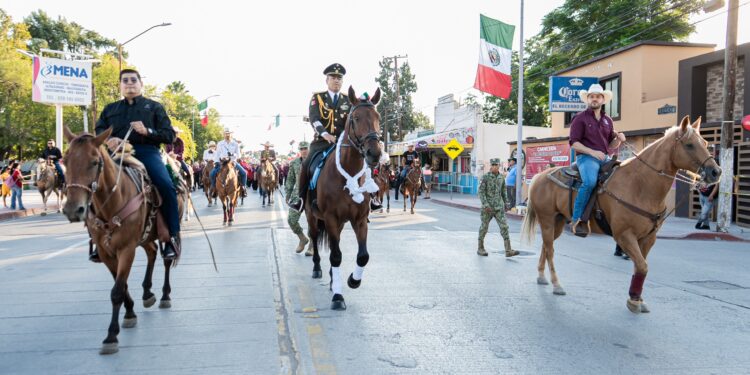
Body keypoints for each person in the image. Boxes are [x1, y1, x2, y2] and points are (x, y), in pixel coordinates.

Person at [95, 68, 180, 260]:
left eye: (133, 80)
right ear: (120, 85)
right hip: (115, 154)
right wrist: (109, 140)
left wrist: (148, 131)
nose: (129, 83)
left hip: (146, 152)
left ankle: (171, 238)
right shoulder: (110, 109)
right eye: (125, 80)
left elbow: (168, 135)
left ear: (141, 84)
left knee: (166, 185)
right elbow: (99, 130)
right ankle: (95, 239)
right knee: (92, 184)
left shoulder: (155, 107)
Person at [290, 63, 381, 212]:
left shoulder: (349, 99)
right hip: (322, 142)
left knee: (365, 163)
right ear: (327, 80)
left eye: (339, 78)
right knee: (306, 165)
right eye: (333, 77)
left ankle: (371, 198)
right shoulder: (317, 98)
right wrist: (325, 134)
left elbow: (359, 118)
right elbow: (315, 119)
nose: (336, 80)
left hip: (345, 142)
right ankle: (300, 200)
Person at [569, 83, 626, 237]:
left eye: (598, 96)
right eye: (591, 96)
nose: (594, 99)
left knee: (622, 178)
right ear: (587, 99)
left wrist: (619, 140)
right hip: (586, 158)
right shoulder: (579, 118)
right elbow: (574, 143)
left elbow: (610, 145)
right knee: (589, 182)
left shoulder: (608, 120)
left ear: (603, 100)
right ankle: (577, 219)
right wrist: (592, 152)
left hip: (604, 157)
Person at [477, 159, 518, 257]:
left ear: (499, 165)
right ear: (491, 165)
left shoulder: (501, 177)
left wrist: (506, 203)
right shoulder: (485, 177)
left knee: (504, 227)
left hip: (499, 207)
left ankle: (508, 250)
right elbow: (481, 192)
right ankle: (480, 248)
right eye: (493, 164)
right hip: (488, 208)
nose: (495, 166)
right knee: (484, 227)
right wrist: (485, 204)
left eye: (496, 165)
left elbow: (503, 191)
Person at [285, 141, 312, 255]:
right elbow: (290, 179)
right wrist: (288, 193)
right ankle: (302, 238)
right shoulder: (294, 163)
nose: (304, 150)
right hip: (298, 195)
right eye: (301, 149)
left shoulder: (315, 161)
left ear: (309, 149)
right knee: (291, 219)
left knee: (313, 221)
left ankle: (312, 246)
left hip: (312, 194)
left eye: (305, 148)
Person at [210, 128, 248, 195]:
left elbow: (239, 154)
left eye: (228, 133)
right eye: (226, 133)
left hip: (232, 162)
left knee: (244, 173)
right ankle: (213, 188)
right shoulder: (220, 144)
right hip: (222, 163)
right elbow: (217, 154)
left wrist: (233, 154)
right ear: (224, 134)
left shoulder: (235, 144)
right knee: (212, 174)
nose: (227, 135)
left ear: (231, 134)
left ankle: (243, 188)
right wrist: (216, 161)